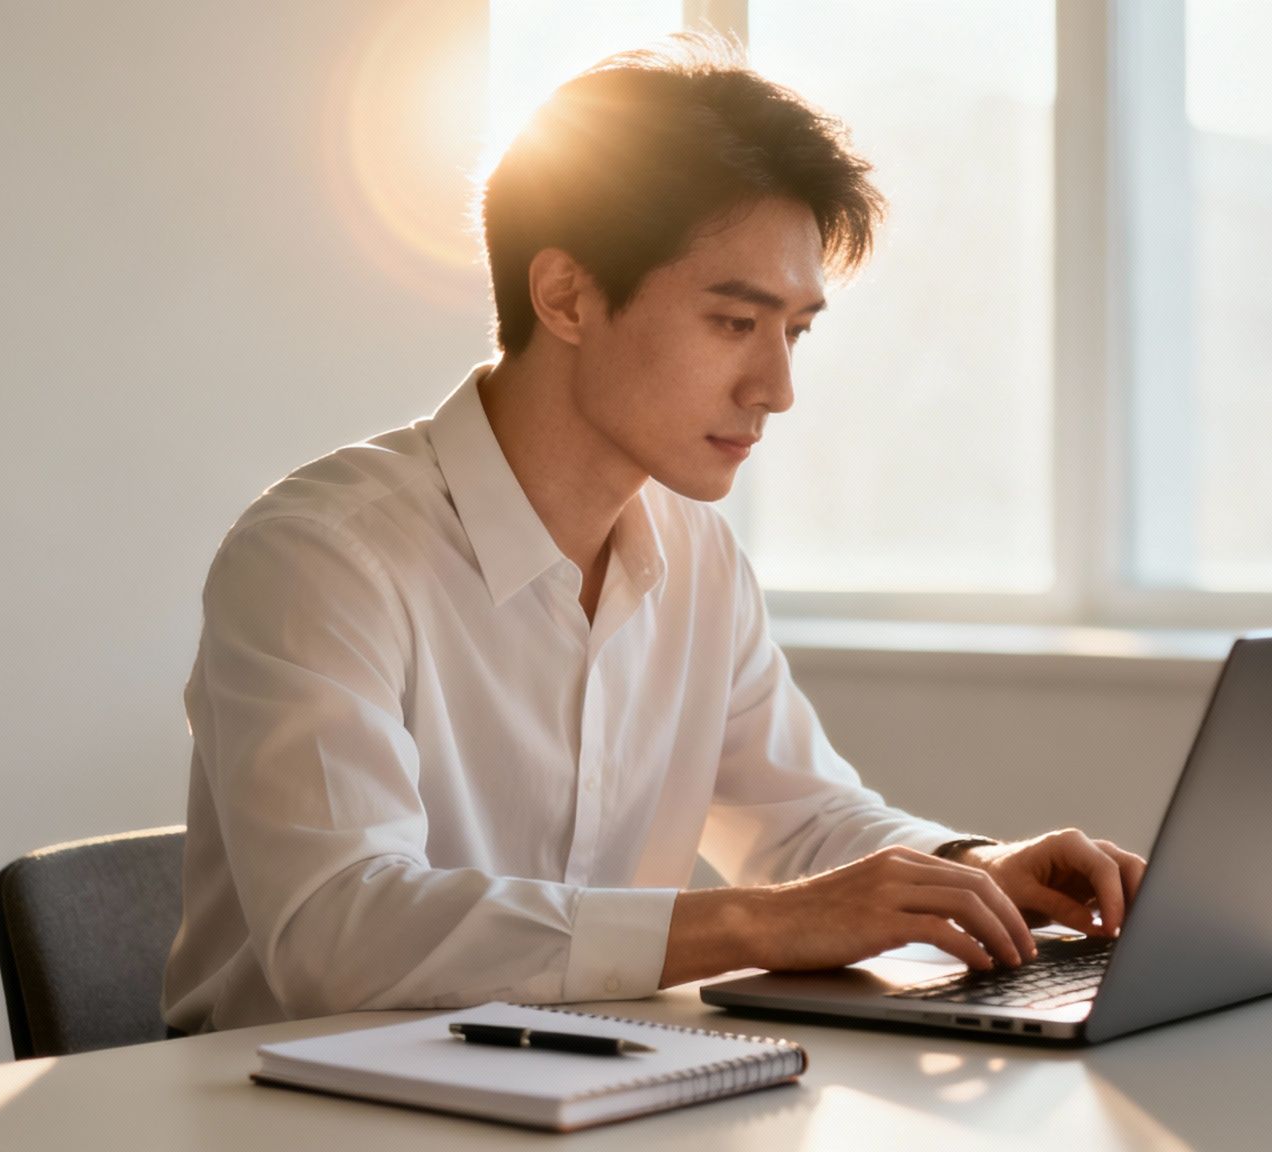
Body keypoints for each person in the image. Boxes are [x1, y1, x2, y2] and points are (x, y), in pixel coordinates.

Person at [161, 35, 1145, 1033]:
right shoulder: (323, 556)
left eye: (794, 330)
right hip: (290, 1110)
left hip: (572, 1086)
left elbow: (800, 820)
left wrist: (972, 870)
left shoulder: (698, 557)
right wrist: (759, 926)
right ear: (566, 296)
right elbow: (342, 935)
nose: (777, 390)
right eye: (732, 323)